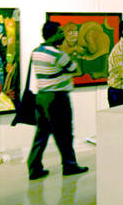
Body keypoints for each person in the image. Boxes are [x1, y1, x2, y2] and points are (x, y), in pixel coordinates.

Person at [27, 20, 89, 180]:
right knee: (65, 133)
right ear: (53, 34)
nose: (63, 35)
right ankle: (70, 165)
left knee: (41, 134)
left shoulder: (36, 51)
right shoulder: (58, 54)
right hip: (58, 98)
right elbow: (76, 69)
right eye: (61, 32)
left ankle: (34, 168)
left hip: (42, 97)